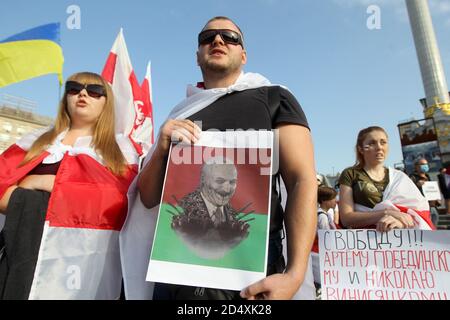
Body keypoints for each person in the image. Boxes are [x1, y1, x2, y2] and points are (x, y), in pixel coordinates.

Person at [127, 16, 317, 300]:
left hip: (251, 275)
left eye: (230, 37)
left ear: (244, 55)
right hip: (177, 274)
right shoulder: (180, 113)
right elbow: (150, 198)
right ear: (197, 56)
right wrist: (163, 146)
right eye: (208, 37)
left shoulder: (275, 99)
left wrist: (294, 274)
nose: (218, 40)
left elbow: (302, 180)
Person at [0, 72, 138, 299]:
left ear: (107, 102)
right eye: (74, 88)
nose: (82, 93)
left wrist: (43, 182)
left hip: (83, 261)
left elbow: (119, 203)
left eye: (94, 91)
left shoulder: (120, 150)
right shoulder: (35, 141)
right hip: (22, 249)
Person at [338, 126, 434, 232]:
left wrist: (400, 222)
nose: (379, 147)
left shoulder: (400, 177)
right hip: (365, 241)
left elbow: (417, 212)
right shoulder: (350, 174)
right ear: (361, 149)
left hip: (398, 241)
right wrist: (387, 213)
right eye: (372, 143)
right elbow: (346, 218)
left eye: (383, 142)